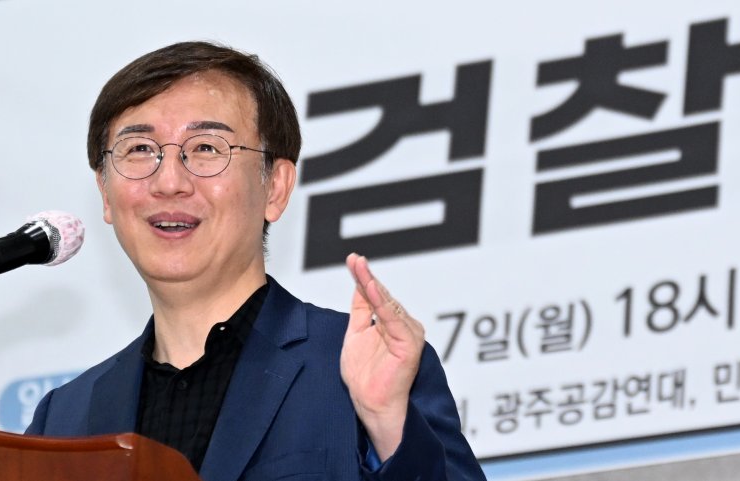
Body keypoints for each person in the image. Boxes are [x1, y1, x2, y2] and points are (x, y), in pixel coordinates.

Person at [25, 41, 486, 481]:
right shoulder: (64, 418)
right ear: (106, 193)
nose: (169, 182)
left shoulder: (355, 364)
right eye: (140, 149)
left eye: (206, 148)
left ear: (276, 187)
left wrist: (387, 424)